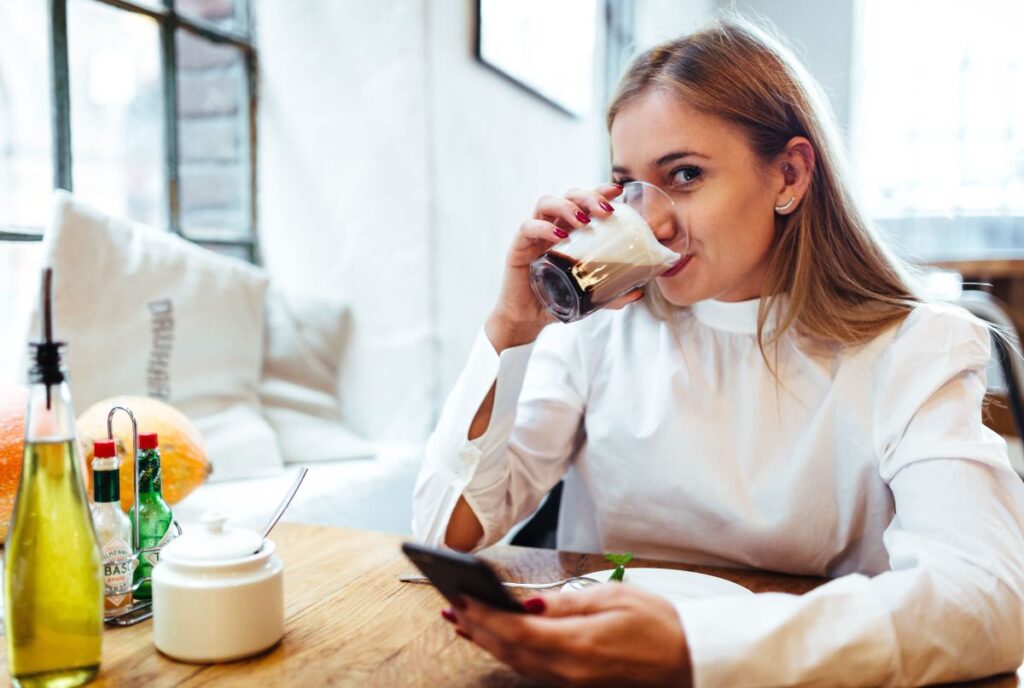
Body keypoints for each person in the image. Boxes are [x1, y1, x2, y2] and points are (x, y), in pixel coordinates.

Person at [412, 16, 1024, 687]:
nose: (655, 220)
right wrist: (510, 327)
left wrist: (694, 647)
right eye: (630, 186)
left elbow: (988, 597)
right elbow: (446, 535)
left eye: (685, 175)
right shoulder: (600, 331)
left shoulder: (913, 348)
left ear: (788, 175)